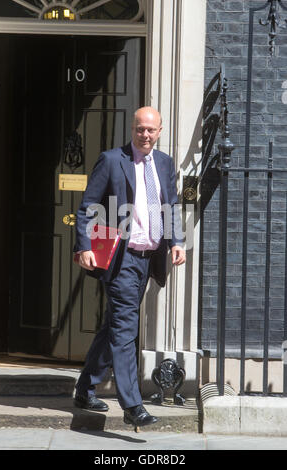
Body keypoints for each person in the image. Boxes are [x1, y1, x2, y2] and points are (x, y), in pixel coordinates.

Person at [73, 106, 186, 429]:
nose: (145, 135)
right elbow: (88, 208)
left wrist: (177, 240)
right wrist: (84, 246)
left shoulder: (164, 163)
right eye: (140, 129)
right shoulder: (112, 160)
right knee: (125, 330)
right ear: (132, 129)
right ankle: (132, 405)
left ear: (160, 131)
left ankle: (84, 388)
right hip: (121, 259)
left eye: (151, 130)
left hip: (149, 259)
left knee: (114, 325)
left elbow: (171, 205)